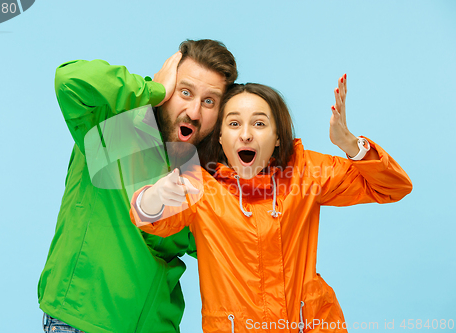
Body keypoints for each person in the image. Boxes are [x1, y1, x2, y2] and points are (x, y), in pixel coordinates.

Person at [131, 77, 413, 333]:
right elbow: (155, 221)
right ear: (220, 137)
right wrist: (153, 198)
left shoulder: (306, 172)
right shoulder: (202, 186)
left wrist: (351, 144)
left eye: (259, 123)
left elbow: (392, 186)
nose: (245, 134)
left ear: (277, 138)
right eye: (233, 123)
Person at [38, 39, 237, 333]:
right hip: (82, 321)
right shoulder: (111, 124)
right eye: (185, 92)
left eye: (209, 101)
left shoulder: (202, 176)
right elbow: (69, 79)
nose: (194, 112)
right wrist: (151, 91)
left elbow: (229, 246)